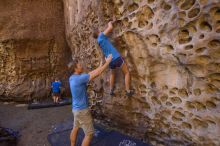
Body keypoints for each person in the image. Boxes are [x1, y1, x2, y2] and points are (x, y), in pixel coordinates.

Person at [68, 54, 112, 146]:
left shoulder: (72, 78)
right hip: (82, 111)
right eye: (79, 65)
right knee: (89, 134)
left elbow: (90, 74)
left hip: (76, 110)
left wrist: (100, 65)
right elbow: (97, 73)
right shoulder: (80, 79)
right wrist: (108, 62)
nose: (81, 66)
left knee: (75, 128)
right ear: (75, 69)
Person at [92, 21, 134, 96]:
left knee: (112, 74)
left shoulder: (99, 42)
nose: (100, 31)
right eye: (99, 31)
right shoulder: (101, 36)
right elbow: (110, 28)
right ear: (98, 33)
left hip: (110, 60)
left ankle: (111, 90)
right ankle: (128, 91)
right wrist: (109, 23)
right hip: (115, 57)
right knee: (126, 72)